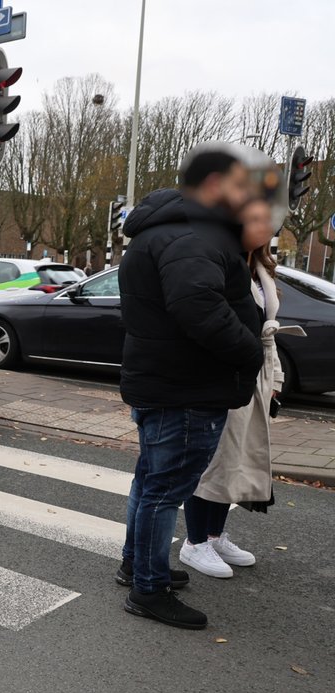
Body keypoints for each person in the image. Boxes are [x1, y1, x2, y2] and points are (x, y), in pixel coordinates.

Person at [117, 145, 263, 630]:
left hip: (162, 379)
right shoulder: (192, 234)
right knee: (164, 490)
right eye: (241, 186)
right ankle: (149, 589)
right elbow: (197, 305)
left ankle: (136, 567)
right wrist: (250, 349)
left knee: (149, 481)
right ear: (216, 186)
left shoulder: (158, 229)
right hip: (186, 386)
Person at [180, 198, 283, 578]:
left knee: (236, 461)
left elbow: (268, 329)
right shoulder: (220, 261)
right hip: (224, 374)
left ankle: (215, 533)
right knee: (211, 461)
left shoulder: (260, 267)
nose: (266, 229)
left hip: (254, 375)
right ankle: (195, 543)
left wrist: (276, 382)